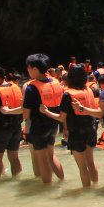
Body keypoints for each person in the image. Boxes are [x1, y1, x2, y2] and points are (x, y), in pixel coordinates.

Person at [43, 65, 101, 187]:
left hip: (76, 132)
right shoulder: (89, 90)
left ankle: (87, 192)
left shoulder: (67, 95)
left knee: (82, 167)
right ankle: (95, 186)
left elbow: (61, 117)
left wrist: (46, 112)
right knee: (90, 162)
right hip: (91, 129)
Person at [21, 53, 66, 185]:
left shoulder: (31, 88)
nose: (27, 70)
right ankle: (62, 181)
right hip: (53, 124)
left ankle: (47, 187)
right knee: (51, 155)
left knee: (42, 159)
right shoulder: (56, 82)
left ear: (35, 69)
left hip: (38, 126)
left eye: (28, 68)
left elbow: (26, 114)